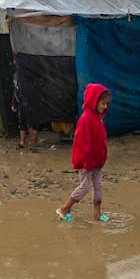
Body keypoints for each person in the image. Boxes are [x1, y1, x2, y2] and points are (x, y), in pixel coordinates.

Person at [56, 83, 111, 222]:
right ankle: (64, 208)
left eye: (107, 104)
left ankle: (97, 214)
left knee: (98, 186)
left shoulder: (98, 118)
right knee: (85, 186)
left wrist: (102, 157)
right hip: (86, 161)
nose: (105, 106)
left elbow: (100, 140)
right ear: (94, 101)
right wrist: (87, 161)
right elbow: (83, 143)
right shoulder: (86, 119)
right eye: (103, 103)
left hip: (97, 160)